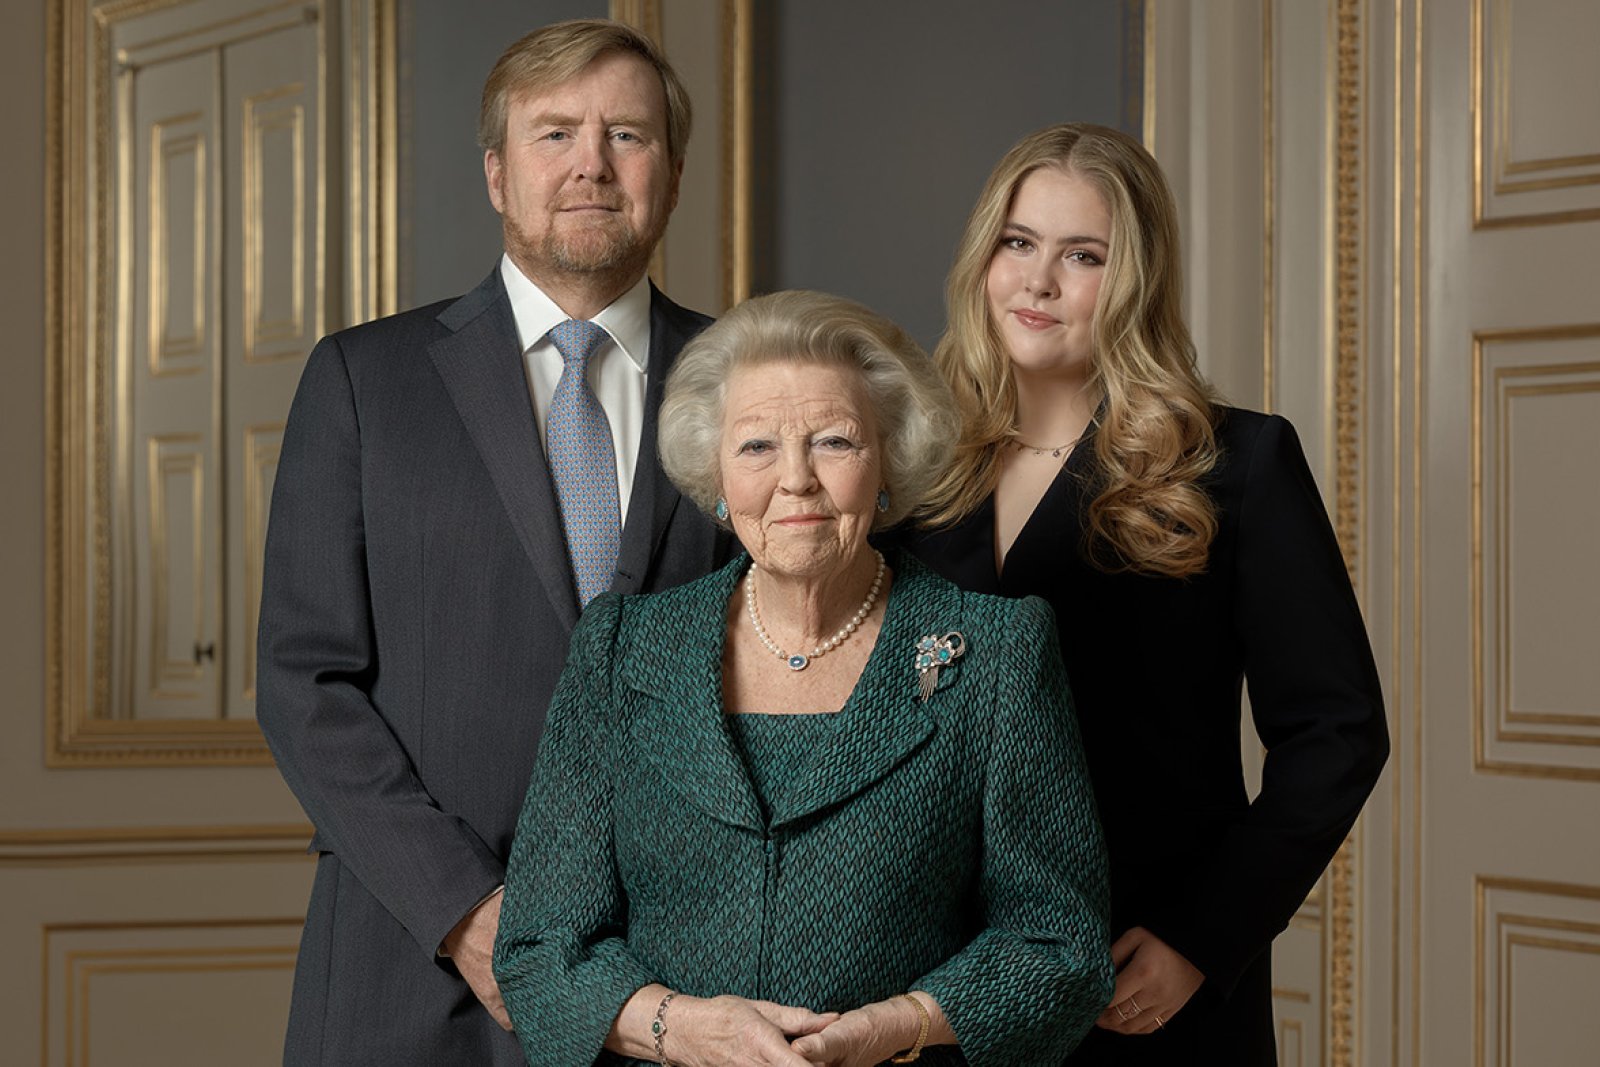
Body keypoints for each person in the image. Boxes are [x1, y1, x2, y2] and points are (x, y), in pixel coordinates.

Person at [256, 20, 729, 1065]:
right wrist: (468, 911)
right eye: (553, 133)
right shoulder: (363, 382)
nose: (590, 164)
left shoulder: (752, 383)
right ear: (495, 172)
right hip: (410, 965)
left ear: (674, 173)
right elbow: (304, 681)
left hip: (682, 980)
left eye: (627, 136)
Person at [491, 290, 1115, 1067]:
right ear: (715, 473)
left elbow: (1061, 947)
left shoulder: (996, 652)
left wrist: (896, 1024)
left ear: (887, 460)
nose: (797, 480)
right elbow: (538, 948)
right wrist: (684, 1029)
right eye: (756, 446)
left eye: (834, 441)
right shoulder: (622, 651)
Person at [902, 124, 1389, 1065]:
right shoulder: (909, 467)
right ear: (983, 258)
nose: (1039, 281)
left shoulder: (1238, 463)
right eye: (1019, 242)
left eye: (1083, 255)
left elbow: (1338, 731)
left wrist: (1202, 940)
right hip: (935, 991)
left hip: (1142, 984)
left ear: (1133, 281)